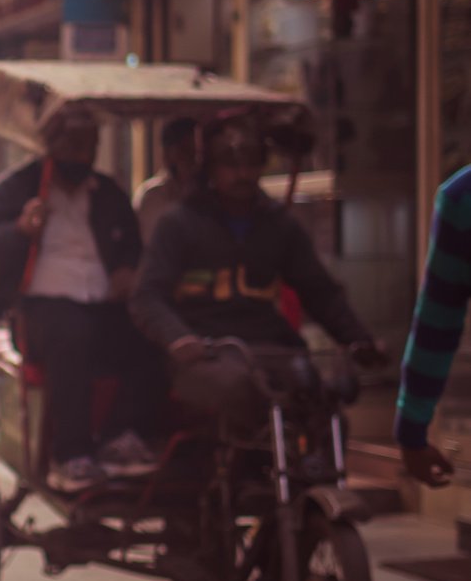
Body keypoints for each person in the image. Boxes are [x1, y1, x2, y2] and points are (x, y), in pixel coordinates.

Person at [131, 121, 382, 434]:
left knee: (320, 402)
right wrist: (179, 338)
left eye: (251, 163)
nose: (242, 173)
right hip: (208, 351)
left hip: (271, 347)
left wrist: (358, 338)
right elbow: (147, 296)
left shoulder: (279, 225)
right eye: (230, 164)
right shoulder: (178, 223)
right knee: (239, 389)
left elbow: (321, 292)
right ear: (209, 167)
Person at [0, 113, 159, 492]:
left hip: (103, 304)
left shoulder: (107, 193)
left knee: (151, 328)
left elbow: (133, 251)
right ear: (50, 145)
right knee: (71, 333)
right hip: (38, 310)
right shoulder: (15, 190)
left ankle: (123, 437)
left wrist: (125, 270)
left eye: (88, 146)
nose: (80, 154)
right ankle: (71, 454)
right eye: (71, 145)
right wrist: (19, 231)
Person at [396, 163, 471, 487]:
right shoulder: (461, 198)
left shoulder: (462, 196)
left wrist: (411, 431)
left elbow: (436, 324)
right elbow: (436, 325)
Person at [134, 117, 198, 244]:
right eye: (182, 151)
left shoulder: (211, 193)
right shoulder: (152, 198)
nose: (187, 159)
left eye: (193, 152)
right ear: (166, 153)